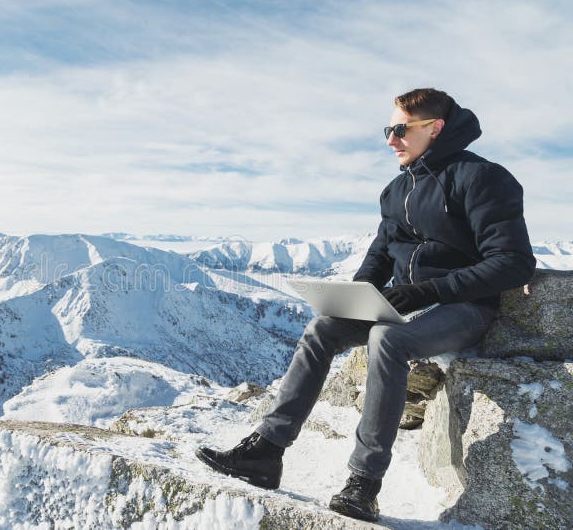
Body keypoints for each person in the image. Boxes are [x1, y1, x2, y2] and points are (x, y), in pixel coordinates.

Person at [195, 88, 536, 522]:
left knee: (387, 338)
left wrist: (429, 291)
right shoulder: (396, 189)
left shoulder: (482, 178)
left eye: (400, 130)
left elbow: (514, 262)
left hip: (463, 307)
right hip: (405, 303)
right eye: (387, 130)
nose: (390, 140)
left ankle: (364, 482)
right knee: (322, 330)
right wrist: (357, 296)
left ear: (435, 128)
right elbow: (379, 256)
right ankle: (265, 452)